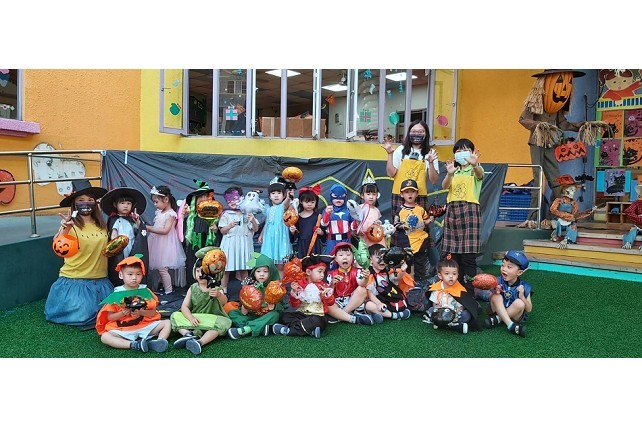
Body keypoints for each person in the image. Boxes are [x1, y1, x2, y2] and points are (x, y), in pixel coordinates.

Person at [518, 69, 586, 229]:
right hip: (537, 142)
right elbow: (523, 119)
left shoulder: (557, 105)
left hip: (551, 144)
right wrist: (539, 125)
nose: (563, 87)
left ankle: (553, 216)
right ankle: (532, 218)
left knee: (556, 181)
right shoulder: (534, 102)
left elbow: (563, 124)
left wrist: (582, 126)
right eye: (559, 81)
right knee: (538, 179)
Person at [45, 179, 113, 330]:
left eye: (90, 199)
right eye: (81, 200)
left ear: (95, 203)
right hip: (76, 281)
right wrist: (65, 229)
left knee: (111, 313)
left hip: (100, 281)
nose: (86, 203)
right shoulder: (70, 225)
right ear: (74, 203)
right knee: (84, 315)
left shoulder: (102, 224)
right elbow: (58, 245)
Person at [381, 119, 440, 277]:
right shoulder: (401, 150)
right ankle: (398, 274)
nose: (417, 134)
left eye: (421, 131)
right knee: (399, 233)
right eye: (414, 131)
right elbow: (391, 173)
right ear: (409, 133)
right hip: (399, 195)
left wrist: (431, 163)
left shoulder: (430, 153)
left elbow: (434, 180)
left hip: (419, 197)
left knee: (422, 233)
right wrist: (389, 154)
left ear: (426, 134)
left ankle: (427, 274)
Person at [95, 255, 171, 352]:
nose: (134, 278)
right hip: (123, 329)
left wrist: (141, 312)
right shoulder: (116, 294)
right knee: (105, 337)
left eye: (138, 274)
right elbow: (110, 317)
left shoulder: (145, 291)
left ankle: (159, 342)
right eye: (130, 274)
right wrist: (122, 313)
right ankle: (134, 345)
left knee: (167, 323)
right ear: (121, 275)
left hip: (144, 326)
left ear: (142, 274)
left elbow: (153, 312)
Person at [441, 138, 484, 290]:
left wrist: (475, 164)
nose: (461, 153)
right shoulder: (454, 170)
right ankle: (454, 289)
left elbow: (480, 174)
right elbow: (444, 186)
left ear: (472, 152)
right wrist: (449, 174)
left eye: (465, 150)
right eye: (458, 151)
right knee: (453, 256)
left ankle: (469, 291)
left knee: (468, 257)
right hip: (452, 212)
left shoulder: (475, 169)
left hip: (470, 212)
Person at [170, 256, 232, 355]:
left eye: (203, 272)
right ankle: (188, 334)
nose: (200, 274)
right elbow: (184, 307)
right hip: (196, 320)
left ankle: (200, 342)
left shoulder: (216, 288)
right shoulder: (193, 288)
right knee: (174, 316)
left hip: (211, 320)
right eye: (198, 271)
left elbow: (224, 301)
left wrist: (218, 295)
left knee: (225, 322)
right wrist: (191, 318)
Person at [272, 254, 335, 338]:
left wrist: (326, 296)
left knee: (317, 321)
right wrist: (294, 292)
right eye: (319, 271)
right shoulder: (300, 284)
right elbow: (294, 305)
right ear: (308, 272)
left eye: (323, 272)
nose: (322, 275)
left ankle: (288, 331)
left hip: (317, 315)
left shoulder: (324, 286)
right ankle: (309, 330)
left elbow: (331, 303)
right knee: (286, 316)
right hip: (302, 314)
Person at [226, 252, 284, 339]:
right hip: (252, 315)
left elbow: (282, 307)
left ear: (271, 273)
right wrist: (244, 307)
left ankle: (247, 329)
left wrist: (275, 306)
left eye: (265, 271)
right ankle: (260, 327)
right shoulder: (250, 286)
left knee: (275, 315)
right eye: (258, 271)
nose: (261, 274)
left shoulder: (275, 288)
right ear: (254, 273)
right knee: (232, 313)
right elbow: (244, 301)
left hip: (266, 315)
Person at [100, 187, 149, 287]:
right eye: (122, 203)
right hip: (120, 248)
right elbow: (113, 234)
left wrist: (137, 221)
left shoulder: (133, 219)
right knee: (122, 265)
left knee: (132, 265)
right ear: (115, 205)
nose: (125, 206)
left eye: (128, 203)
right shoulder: (114, 219)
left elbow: (140, 230)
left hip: (133, 246)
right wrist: (116, 245)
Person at [325, 242, 382, 325]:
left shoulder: (357, 271)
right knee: (327, 304)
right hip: (338, 302)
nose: (345, 258)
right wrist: (332, 284)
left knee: (362, 290)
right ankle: (354, 318)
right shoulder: (331, 274)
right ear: (336, 259)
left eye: (348, 255)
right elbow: (328, 293)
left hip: (354, 301)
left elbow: (361, 284)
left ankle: (341, 315)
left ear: (353, 257)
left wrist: (365, 277)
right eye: (341, 255)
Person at [425, 255, 481, 334]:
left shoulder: (460, 289)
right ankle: (453, 326)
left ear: (458, 275)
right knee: (431, 310)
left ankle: (442, 324)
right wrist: (439, 310)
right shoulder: (437, 288)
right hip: (441, 313)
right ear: (440, 275)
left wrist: (455, 312)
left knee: (466, 315)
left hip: (455, 314)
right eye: (447, 274)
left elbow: (463, 305)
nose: (451, 276)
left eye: (454, 274)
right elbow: (434, 303)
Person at [147, 185, 186, 294]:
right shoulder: (159, 212)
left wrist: (149, 228)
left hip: (166, 243)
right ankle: (164, 287)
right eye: (154, 202)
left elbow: (165, 231)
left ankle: (169, 291)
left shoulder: (171, 214)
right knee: (159, 268)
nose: (155, 205)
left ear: (166, 200)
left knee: (162, 268)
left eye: (156, 202)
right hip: (157, 242)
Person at [392, 179, 432, 283]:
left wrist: (430, 219)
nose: (410, 194)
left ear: (417, 193)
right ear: (401, 194)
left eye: (413, 191)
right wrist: (405, 226)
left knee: (420, 265)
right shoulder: (400, 210)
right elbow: (395, 224)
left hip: (420, 241)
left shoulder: (420, 209)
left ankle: (419, 284)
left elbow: (425, 221)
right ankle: (406, 284)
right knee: (406, 265)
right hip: (406, 241)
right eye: (406, 192)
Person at [219, 186, 258, 290]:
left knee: (244, 268)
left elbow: (255, 229)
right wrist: (229, 226)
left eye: (234, 198)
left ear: (241, 198)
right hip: (229, 245)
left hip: (244, 244)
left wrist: (253, 220)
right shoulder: (226, 214)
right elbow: (222, 231)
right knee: (226, 268)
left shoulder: (247, 213)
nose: (232, 202)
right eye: (229, 200)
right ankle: (223, 290)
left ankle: (246, 290)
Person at [484, 250, 531, 338]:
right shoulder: (497, 281)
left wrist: (522, 297)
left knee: (520, 303)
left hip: (515, 316)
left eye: (509, 267)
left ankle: (498, 319)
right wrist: (495, 292)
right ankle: (510, 325)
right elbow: (490, 299)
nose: (504, 269)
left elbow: (529, 309)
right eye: (503, 265)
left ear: (519, 272)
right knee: (496, 297)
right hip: (495, 311)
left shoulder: (524, 286)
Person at [182, 180, 220, 285]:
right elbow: (183, 236)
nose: (203, 201)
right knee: (192, 266)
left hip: (207, 247)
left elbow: (219, 235)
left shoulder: (214, 218)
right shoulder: (190, 219)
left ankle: (208, 285)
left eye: (205, 198)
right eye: (200, 199)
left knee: (207, 266)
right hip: (193, 248)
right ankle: (193, 286)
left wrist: (216, 230)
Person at [363, 244, 414, 321]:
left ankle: (380, 314)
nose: (381, 260)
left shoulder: (388, 271)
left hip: (388, 299)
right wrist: (378, 303)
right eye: (378, 257)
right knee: (369, 306)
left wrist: (403, 270)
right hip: (376, 300)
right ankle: (394, 315)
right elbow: (370, 293)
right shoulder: (369, 274)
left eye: (384, 257)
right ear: (370, 260)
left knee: (380, 307)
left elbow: (397, 278)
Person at [258, 178, 292, 275]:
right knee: (268, 263)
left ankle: (280, 283)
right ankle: (270, 282)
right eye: (273, 193)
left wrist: (289, 197)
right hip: (269, 238)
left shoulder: (283, 207)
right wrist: (261, 235)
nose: (276, 195)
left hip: (281, 238)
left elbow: (286, 203)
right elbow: (267, 223)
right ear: (269, 196)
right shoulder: (268, 209)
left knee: (281, 264)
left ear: (283, 195)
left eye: (279, 193)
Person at [320, 183, 358, 256]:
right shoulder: (328, 210)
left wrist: (356, 218)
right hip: (332, 241)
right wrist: (327, 214)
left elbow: (353, 227)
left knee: (346, 258)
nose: (338, 200)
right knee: (331, 259)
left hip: (346, 240)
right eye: (335, 197)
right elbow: (324, 224)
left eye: (341, 197)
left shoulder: (349, 210)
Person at [289, 184, 325, 258]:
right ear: (301, 201)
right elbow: (294, 237)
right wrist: (292, 231)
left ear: (316, 202)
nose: (309, 204)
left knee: (315, 263)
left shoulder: (318, 216)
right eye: (307, 202)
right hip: (301, 247)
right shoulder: (297, 217)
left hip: (315, 246)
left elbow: (324, 235)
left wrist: (321, 232)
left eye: (312, 202)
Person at [354, 177, 384, 248]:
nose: (371, 197)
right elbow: (356, 224)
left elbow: (377, 223)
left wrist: (378, 224)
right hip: (363, 239)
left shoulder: (376, 210)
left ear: (377, 195)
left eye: (374, 194)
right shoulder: (359, 208)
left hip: (375, 238)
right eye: (368, 194)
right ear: (362, 195)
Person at [622, 184, 642, 250]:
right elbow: (628, 211)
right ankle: (627, 243)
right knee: (632, 231)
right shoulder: (637, 203)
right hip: (638, 227)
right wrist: (638, 218)